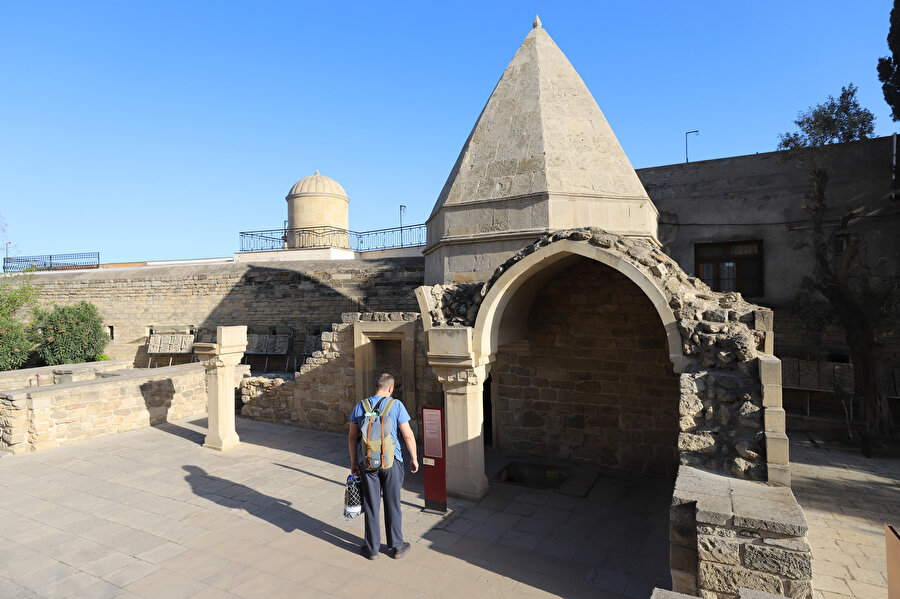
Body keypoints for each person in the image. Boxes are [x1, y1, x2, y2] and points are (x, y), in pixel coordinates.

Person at [348, 372, 419, 560]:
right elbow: (408, 435)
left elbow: (352, 438)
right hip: (391, 462)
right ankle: (396, 546)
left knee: (371, 505)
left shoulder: (360, 406)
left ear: (376, 386)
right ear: (390, 388)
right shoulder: (396, 405)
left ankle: (371, 549)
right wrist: (414, 457)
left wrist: (355, 462)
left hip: (368, 463)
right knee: (393, 503)